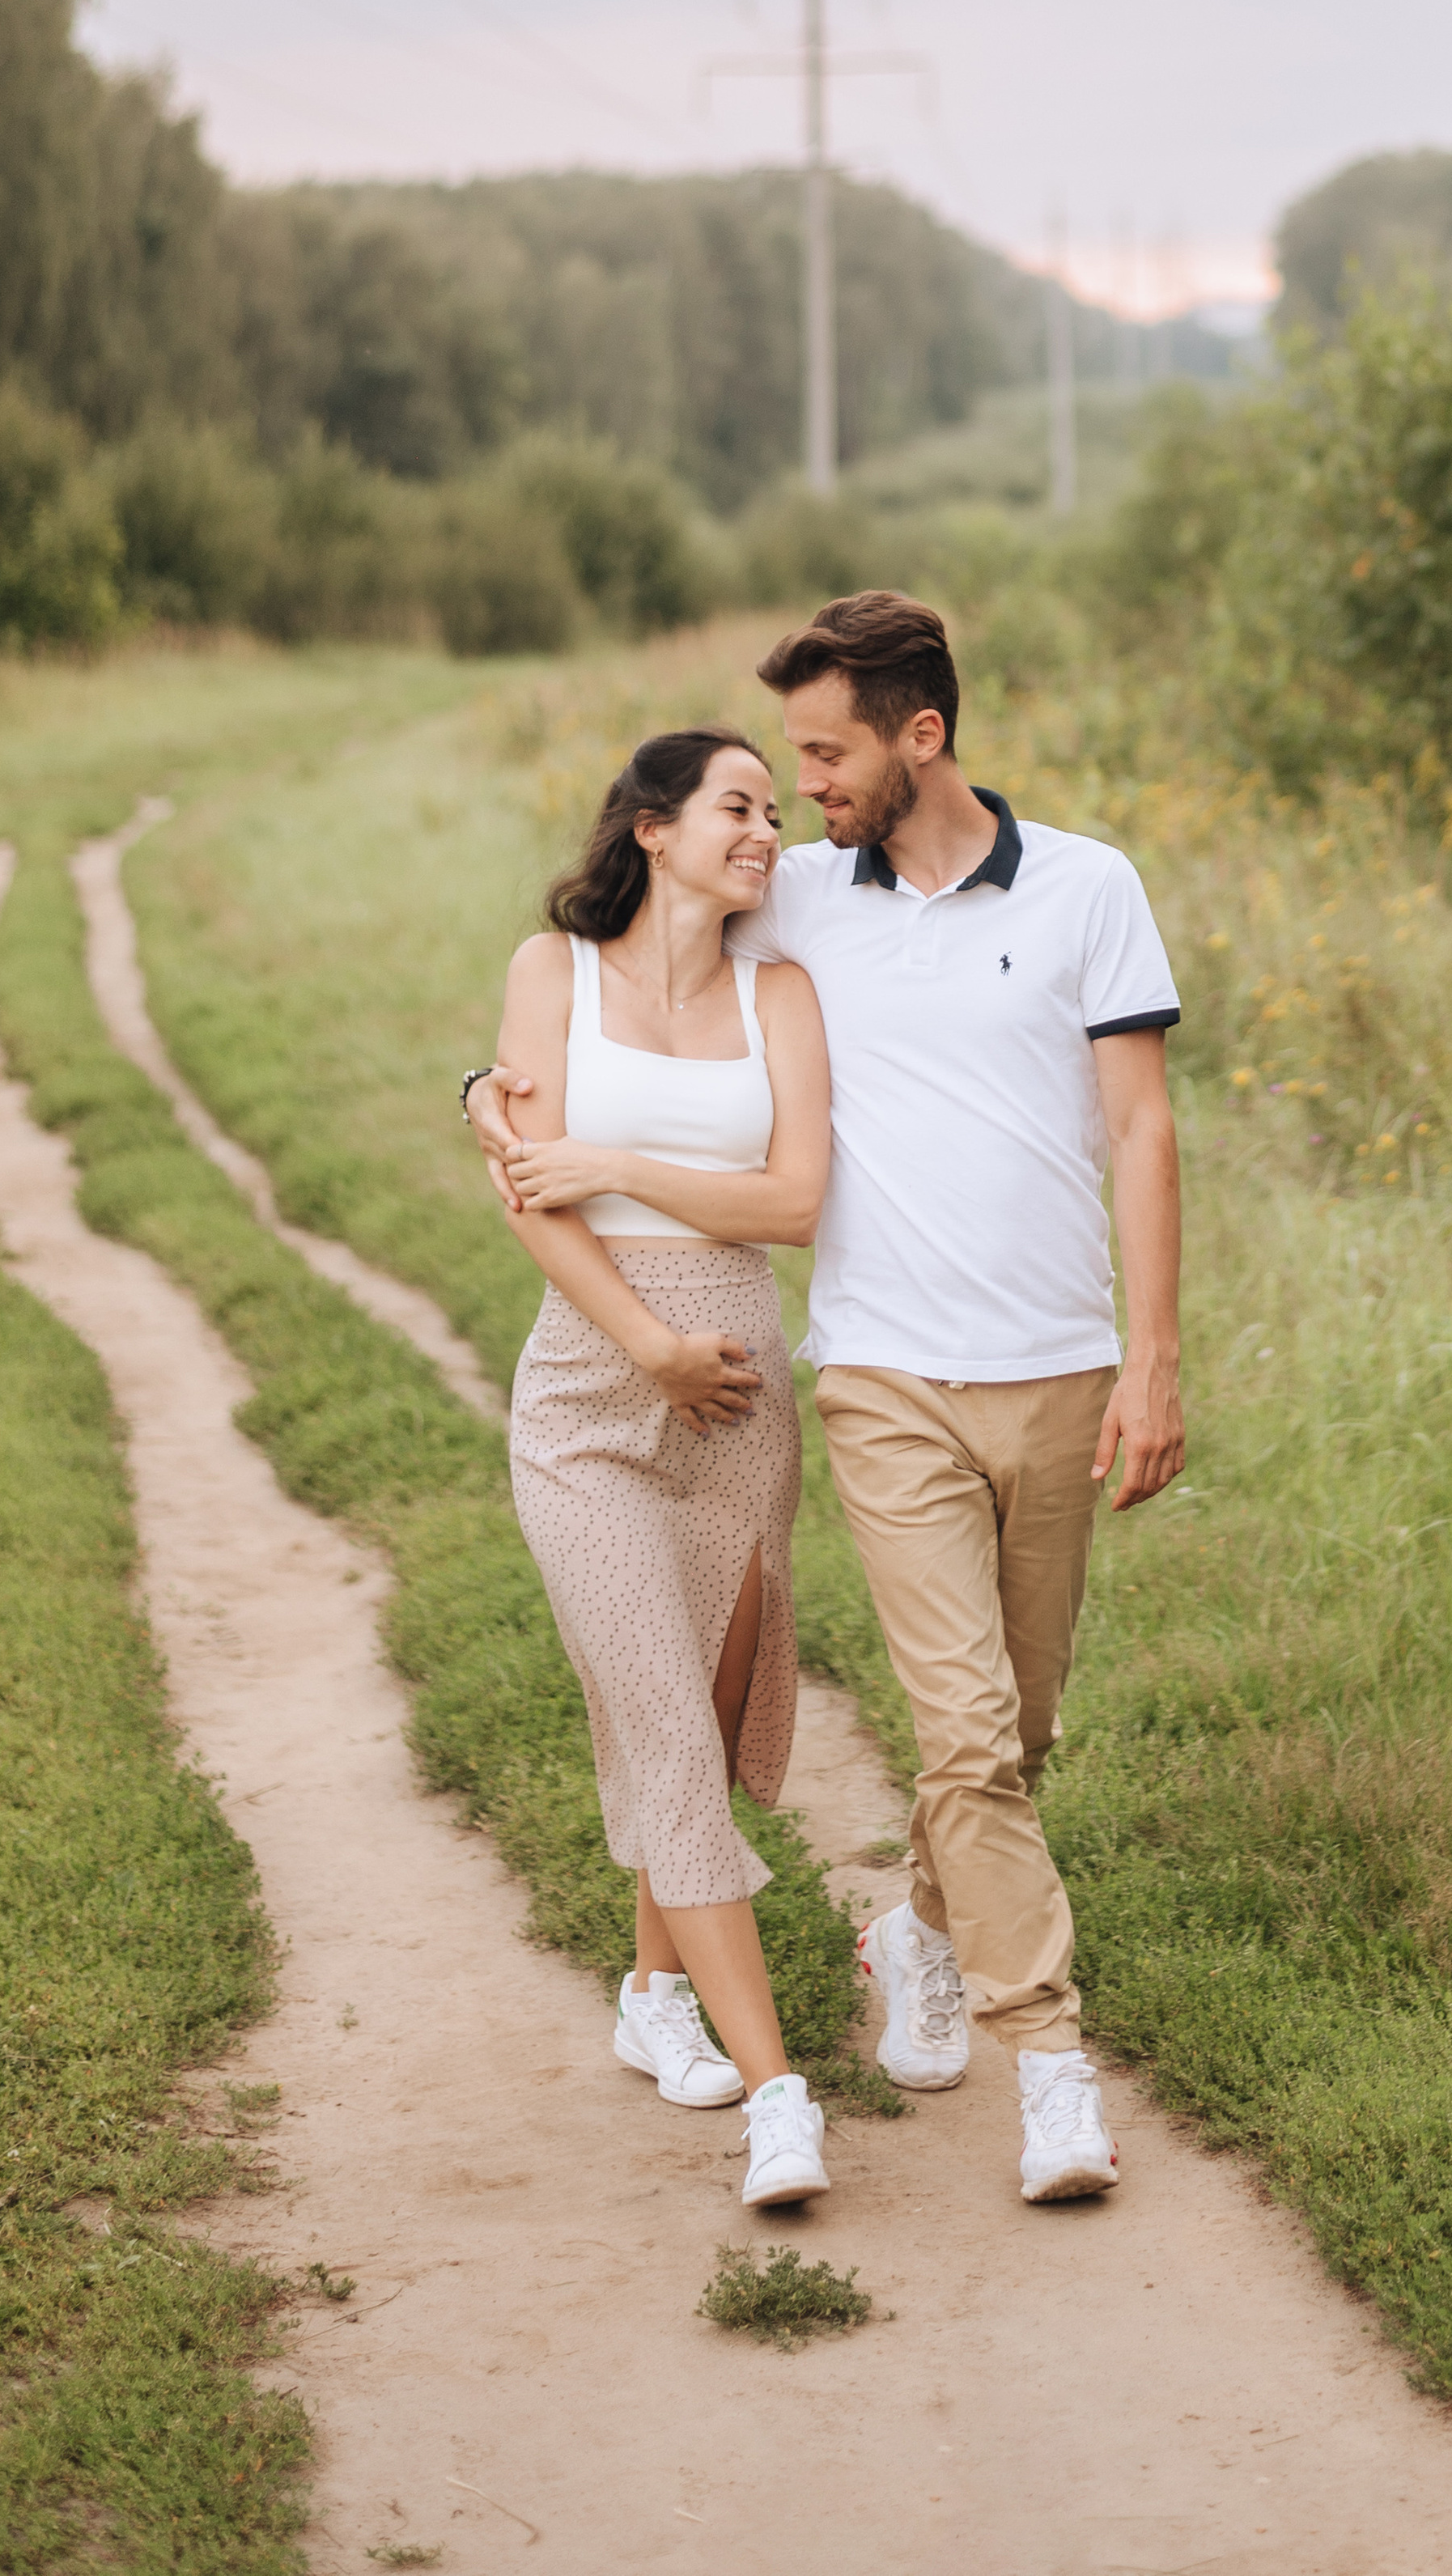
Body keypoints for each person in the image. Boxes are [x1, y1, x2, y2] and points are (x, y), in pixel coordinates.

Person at [476, 595, 1186, 2207]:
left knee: (1020, 1724)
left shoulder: (1087, 886)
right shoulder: (797, 889)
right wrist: (487, 1095)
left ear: (914, 735)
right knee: (956, 1730)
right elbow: (610, 950)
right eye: (771, 769)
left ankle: (917, 1932)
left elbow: (1139, 1134)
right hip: (873, 1371)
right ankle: (1047, 2070)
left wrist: (1150, 1357)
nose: (795, 796)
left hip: (1056, 1359)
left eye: (820, 753)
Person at [468, 725, 835, 2210]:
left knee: (693, 1699)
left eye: (778, 810)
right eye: (741, 807)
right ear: (653, 827)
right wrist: (648, 1348)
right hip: (586, 1395)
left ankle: (651, 1990)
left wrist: (620, 1167)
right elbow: (525, 1195)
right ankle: (780, 2096)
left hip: (740, 1398)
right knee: (669, 1729)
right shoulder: (548, 976)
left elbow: (796, 1199)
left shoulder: (782, 993)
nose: (768, 831)